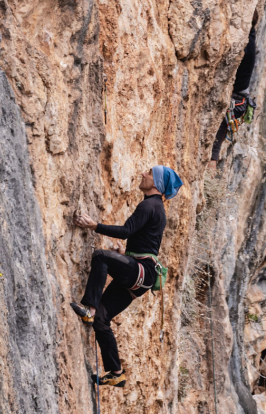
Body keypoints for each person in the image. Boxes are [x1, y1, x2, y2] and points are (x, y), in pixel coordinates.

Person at [71, 165, 183, 387]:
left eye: (149, 173)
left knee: (101, 257)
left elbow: (125, 231)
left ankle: (89, 309)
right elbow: (146, 243)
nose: (143, 174)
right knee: (102, 320)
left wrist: (95, 225)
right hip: (142, 274)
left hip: (142, 271)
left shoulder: (148, 205)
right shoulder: (156, 208)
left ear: (157, 183)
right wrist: (127, 254)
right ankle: (116, 372)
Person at [211, 13, 258, 168]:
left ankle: (209, 173)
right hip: (239, 98)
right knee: (215, 142)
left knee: (215, 146)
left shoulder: (247, 45)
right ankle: (209, 173)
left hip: (236, 100)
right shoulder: (250, 40)